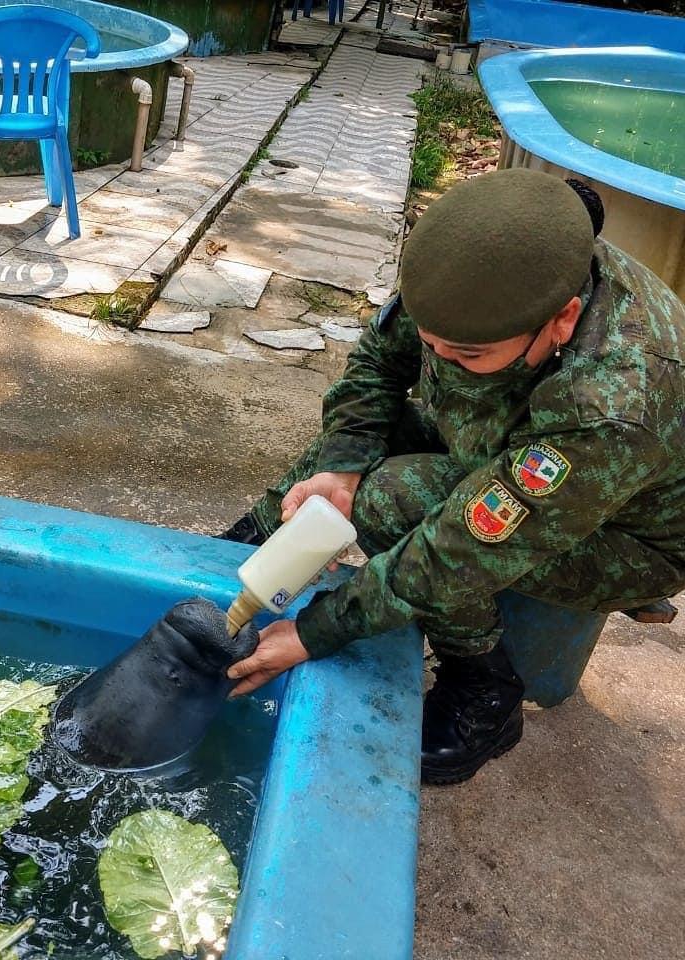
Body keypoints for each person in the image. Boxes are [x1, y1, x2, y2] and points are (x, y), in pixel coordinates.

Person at [219, 168, 685, 784]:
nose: (440, 361)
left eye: (466, 355)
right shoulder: (468, 268)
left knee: (390, 503)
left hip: (624, 537)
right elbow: (378, 362)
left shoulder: (609, 404)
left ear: (563, 320)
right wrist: (341, 465)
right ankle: (241, 552)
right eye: (432, 343)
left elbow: (462, 550)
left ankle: (484, 687)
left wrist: (316, 631)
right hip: (504, 443)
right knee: (350, 456)